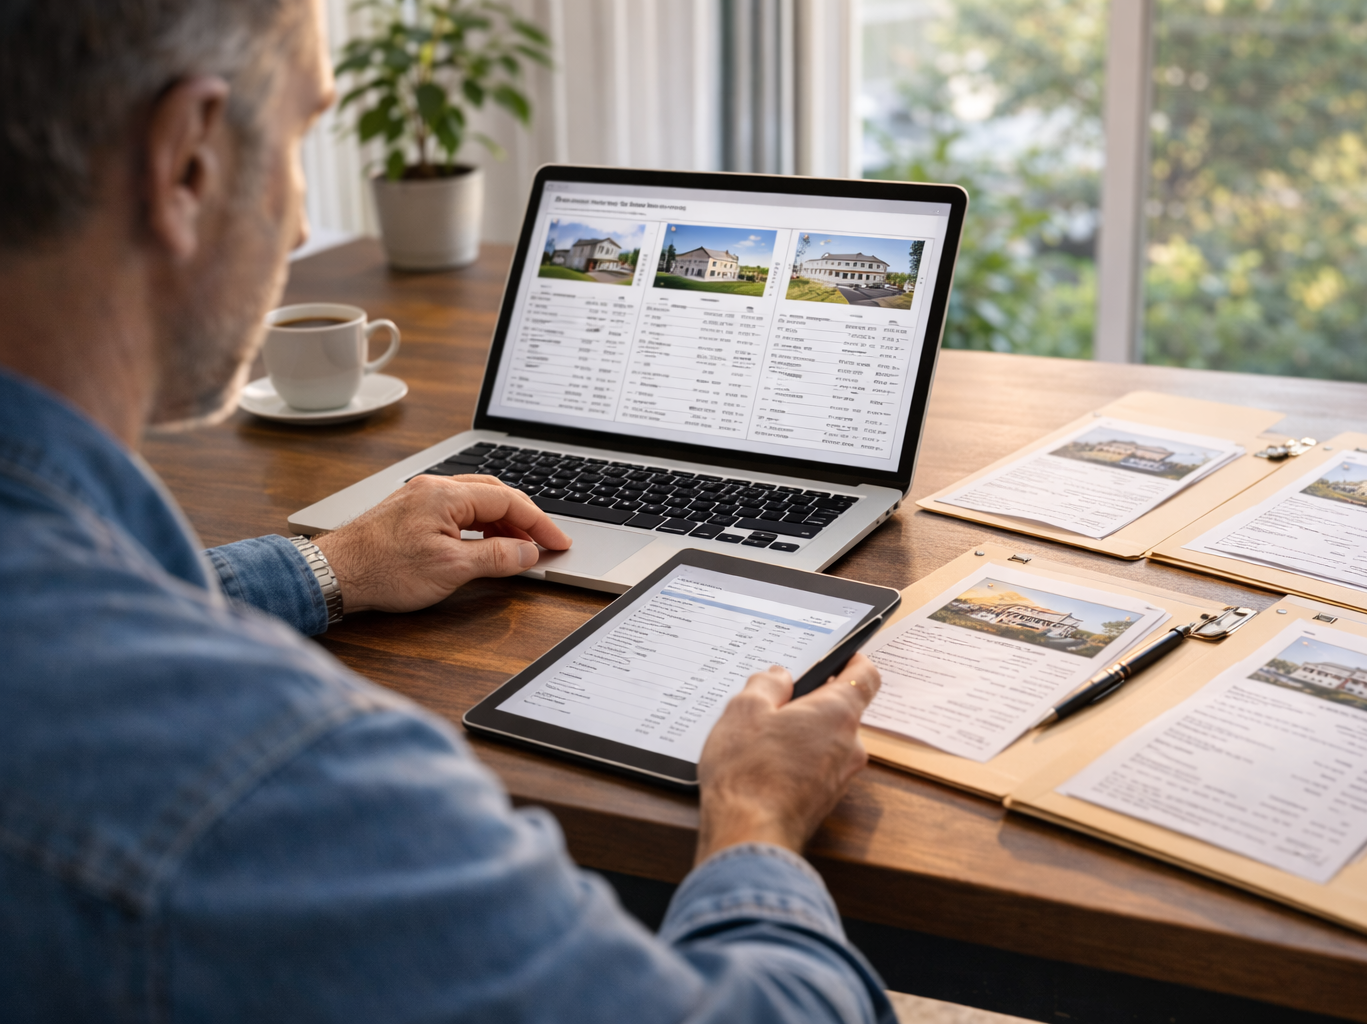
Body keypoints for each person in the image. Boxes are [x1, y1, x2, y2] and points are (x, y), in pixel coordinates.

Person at [0, 2, 894, 1020]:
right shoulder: (274, 776)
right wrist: (753, 816)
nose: (301, 224)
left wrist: (327, 566)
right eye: (300, 136)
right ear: (188, 163)